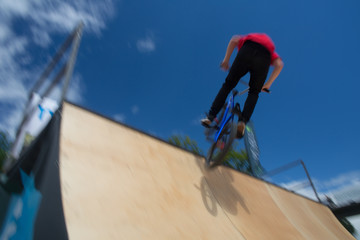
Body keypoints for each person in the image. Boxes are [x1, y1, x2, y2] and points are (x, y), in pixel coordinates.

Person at [201, 33, 284, 138]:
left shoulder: (249, 38)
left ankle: (211, 117)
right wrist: (267, 85)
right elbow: (279, 65)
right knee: (254, 92)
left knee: (228, 85)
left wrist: (226, 61)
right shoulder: (270, 49)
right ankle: (242, 122)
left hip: (247, 49)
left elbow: (234, 40)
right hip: (265, 57)